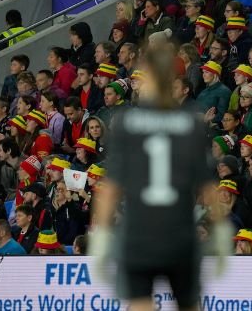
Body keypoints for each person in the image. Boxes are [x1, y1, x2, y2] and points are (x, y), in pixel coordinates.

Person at [92, 48, 230, 311]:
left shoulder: (127, 123)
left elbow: (110, 188)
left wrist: (101, 237)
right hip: (180, 233)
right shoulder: (190, 123)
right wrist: (221, 230)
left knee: (141, 305)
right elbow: (207, 186)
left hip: (139, 233)